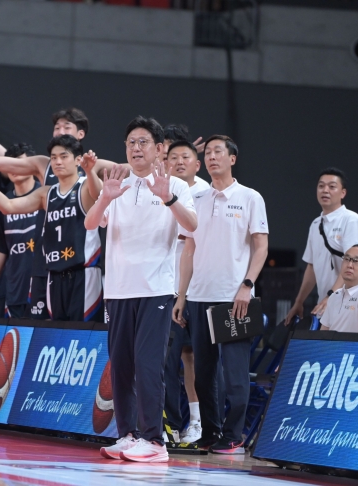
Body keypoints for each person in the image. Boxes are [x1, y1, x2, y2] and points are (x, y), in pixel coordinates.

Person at [83, 117, 197, 463]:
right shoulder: (116, 183)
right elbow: (90, 223)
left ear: (159, 148)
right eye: (131, 142)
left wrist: (169, 198)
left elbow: (192, 226)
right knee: (120, 365)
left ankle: (155, 441)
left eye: (143, 142)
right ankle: (128, 434)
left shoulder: (175, 185)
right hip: (118, 290)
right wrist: (105, 199)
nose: (136, 148)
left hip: (155, 290)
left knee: (148, 364)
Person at [173, 135, 269, 455]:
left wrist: (247, 285)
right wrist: (182, 295)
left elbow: (261, 246)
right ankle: (211, 432)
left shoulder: (250, 197)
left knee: (235, 375)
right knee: (203, 375)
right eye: (209, 152)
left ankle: (235, 435)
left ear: (232, 159)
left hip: (233, 299)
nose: (212, 157)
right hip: (199, 296)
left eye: (219, 152)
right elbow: (189, 250)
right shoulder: (196, 198)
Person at [0, 135, 102, 322]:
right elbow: (8, 206)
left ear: (78, 160)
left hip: (83, 273)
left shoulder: (85, 186)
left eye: (63, 156)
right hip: (54, 274)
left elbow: (99, 194)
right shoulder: (46, 193)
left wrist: (91, 172)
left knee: (84, 333)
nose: (57, 161)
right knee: (58, 334)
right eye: (53, 158)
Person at [163, 140, 209, 444]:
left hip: (201, 289)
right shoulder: (161, 191)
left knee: (195, 358)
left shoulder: (207, 194)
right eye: (173, 157)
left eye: (185, 157)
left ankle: (198, 422)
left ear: (197, 162)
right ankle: (170, 426)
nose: (179, 162)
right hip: (167, 287)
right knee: (167, 359)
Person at [286, 168, 358, 324]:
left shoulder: (351, 220)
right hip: (326, 305)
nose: (325, 190)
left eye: (332, 186)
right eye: (321, 186)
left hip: (350, 303)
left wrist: (331, 295)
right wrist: (299, 301)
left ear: (343, 193)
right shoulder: (316, 224)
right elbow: (312, 267)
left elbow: (355, 264)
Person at [0, 143, 39, 319]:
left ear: (32, 165)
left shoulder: (45, 194)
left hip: (41, 285)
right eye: (9, 163)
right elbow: (1, 246)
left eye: (19, 163)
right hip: (14, 285)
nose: (14, 168)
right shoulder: (4, 201)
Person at [320, 244, 358, 333]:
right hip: (332, 346)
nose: (349, 265)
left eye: (356, 261)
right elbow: (323, 334)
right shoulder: (335, 296)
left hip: (352, 347)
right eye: (346, 259)